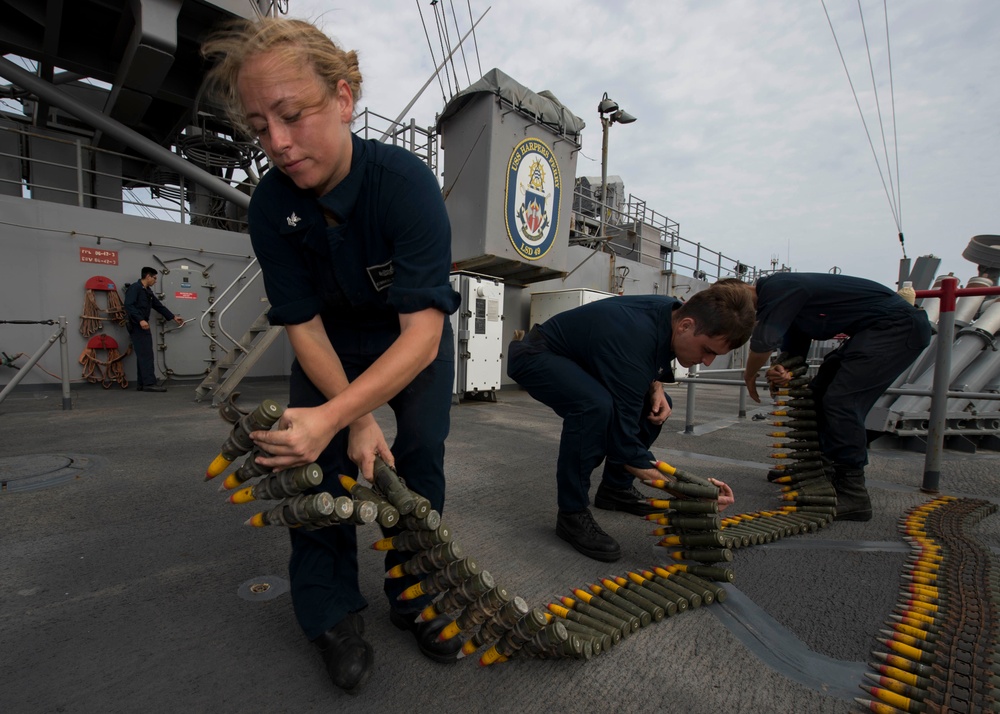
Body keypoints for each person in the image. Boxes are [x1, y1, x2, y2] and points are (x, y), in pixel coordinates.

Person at [201, 17, 462, 695]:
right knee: (310, 466)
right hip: (330, 347)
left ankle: (417, 594)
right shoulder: (271, 208)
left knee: (421, 457)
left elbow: (423, 337)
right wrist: (348, 419)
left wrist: (357, 413)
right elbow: (305, 329)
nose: (279, 145)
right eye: (261, 128)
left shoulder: (404, 185)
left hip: (410, 342)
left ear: (343, 99)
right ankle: (332, 615)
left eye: (293, 115)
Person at [506, 282, 754, 562]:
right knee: (595, 409)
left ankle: (615, 489)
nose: (707, 362)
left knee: (659, 404)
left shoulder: (671, 313)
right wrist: (688, 494)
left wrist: (656, 386)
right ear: (686, 326)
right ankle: (571, 513)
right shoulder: (635, 336)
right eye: (707, 350)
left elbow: (648, 361)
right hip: (537, 356)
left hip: (583, 359)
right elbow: (623, 444)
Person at [740, 273, 932, 521]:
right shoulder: (787, 301)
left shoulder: (777, 288)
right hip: (872, 332)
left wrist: (750, 374)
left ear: (742, 290)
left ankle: (853, 493)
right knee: (818, 394)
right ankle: (817, 471)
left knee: (841, 402)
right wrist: (783, 368)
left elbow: (764, 340)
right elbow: (794, 351)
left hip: (897, 329)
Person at [123, 267, 183, 392]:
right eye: (154, 278)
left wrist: (172, 317)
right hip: (137, 325)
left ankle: (142, 383)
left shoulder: (147, 291)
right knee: (147, 354)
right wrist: (140, 320)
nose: (155, 281)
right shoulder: (135, 288)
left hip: (141, 324)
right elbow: (128, 305)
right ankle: (149, 383)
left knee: (143, 354)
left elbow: (158, 305)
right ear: (148, 276)